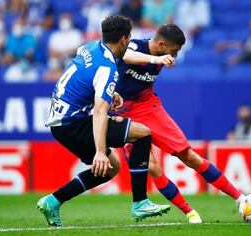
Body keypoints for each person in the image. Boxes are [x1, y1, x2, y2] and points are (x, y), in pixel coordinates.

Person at [37, 15, 168, 227]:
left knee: (111, 168)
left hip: (62, 122)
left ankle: (53, 201)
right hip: (74, 124)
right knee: (143, 133)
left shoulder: (90, 47)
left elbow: (86, 72)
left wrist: (107, 92)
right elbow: (99, 111)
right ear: (125, 39)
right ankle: (140, 202)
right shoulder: (108, 68)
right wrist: (100, 151)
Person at [113, 24, 246, 224]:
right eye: (174, 50)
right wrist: (156, 59)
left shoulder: (164, 54)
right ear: (161, 44)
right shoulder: (136, 45)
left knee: (189, 156)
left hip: (149, 107)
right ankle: (189, 212)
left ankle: (240, 199)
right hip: (122, 112)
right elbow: (126, 57)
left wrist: (160, 58)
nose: (175, 55)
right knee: (151, 166)